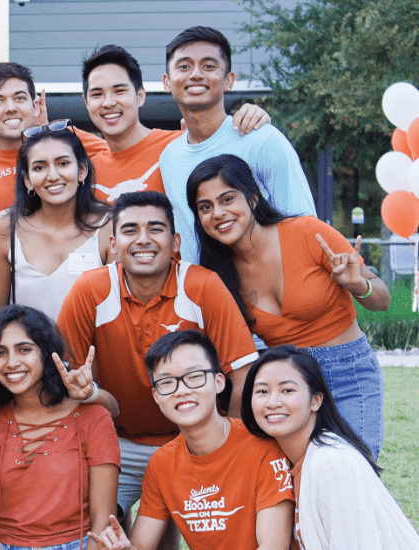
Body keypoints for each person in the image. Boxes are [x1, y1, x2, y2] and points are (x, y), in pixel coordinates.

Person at [56, 191, 260, 530]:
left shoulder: (202, 286)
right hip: (117, 441)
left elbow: (242, 378)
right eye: (131, 230)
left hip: (192, 440)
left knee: (214, 528)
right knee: (90, 528)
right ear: (113, 243)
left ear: (175, 240)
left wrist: (231, 450)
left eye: (155, 228)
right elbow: (66, 383)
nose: (144, 240)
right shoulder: (90, 289)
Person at [188, 154, 388, 454]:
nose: (218, 213)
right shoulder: (217, 275)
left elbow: (383, 300)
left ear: (253, 198)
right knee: (297, 486)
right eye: (206, 207)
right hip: (285, 384)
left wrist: (359, 285)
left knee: (355, 474)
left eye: (227, 199)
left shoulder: (307, 232)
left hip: (349, 374)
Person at [85, 330, 294, 550]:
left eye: (194, 377)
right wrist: (123, 547)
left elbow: (273, 545)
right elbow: (140, 545)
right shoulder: (162, 464)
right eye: (167, 382)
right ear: (156, 395)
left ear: (219, 382)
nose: (182, 390)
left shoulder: (263, 447)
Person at [0, 305, 119, 550]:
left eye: (24, 349)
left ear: (47, 353)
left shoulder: (93, 418)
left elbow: (103, 522)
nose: (11, 362)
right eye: (0, 352)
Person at [158, 26, 315, 262]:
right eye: (184, 66)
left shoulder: (261, 139)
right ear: (167, 82)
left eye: (209, 66)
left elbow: (303, 225)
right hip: (202, 293)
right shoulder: (170, 157)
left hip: (266, 292)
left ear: (229, 80)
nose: (196, 74)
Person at [238, 347, 419, 549]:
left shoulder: (332, 463)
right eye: (262, 391)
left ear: (316, 400)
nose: (272, 402)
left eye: (287, 390)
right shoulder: (287, 460)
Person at [80, 46, 269, 203]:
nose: (108, 103)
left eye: (119, 91)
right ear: (86, 103)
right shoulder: (85, 172)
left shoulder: (181, 144)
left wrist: (253, 116)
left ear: (140, 96)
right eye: (97, 94)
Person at [0, 122, 112, 320]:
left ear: (82, 170)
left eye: (63, 163)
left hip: (94, 351)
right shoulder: (4, 227)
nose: (52, 176)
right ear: (27, 180)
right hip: (28, 350)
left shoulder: (108, 225)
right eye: (40, 167)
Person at [0, 62, 110, 217]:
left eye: (19, 98)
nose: (10, 108)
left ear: (35, 106)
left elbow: (122, 154)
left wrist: (47, 135)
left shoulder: (67, 139)